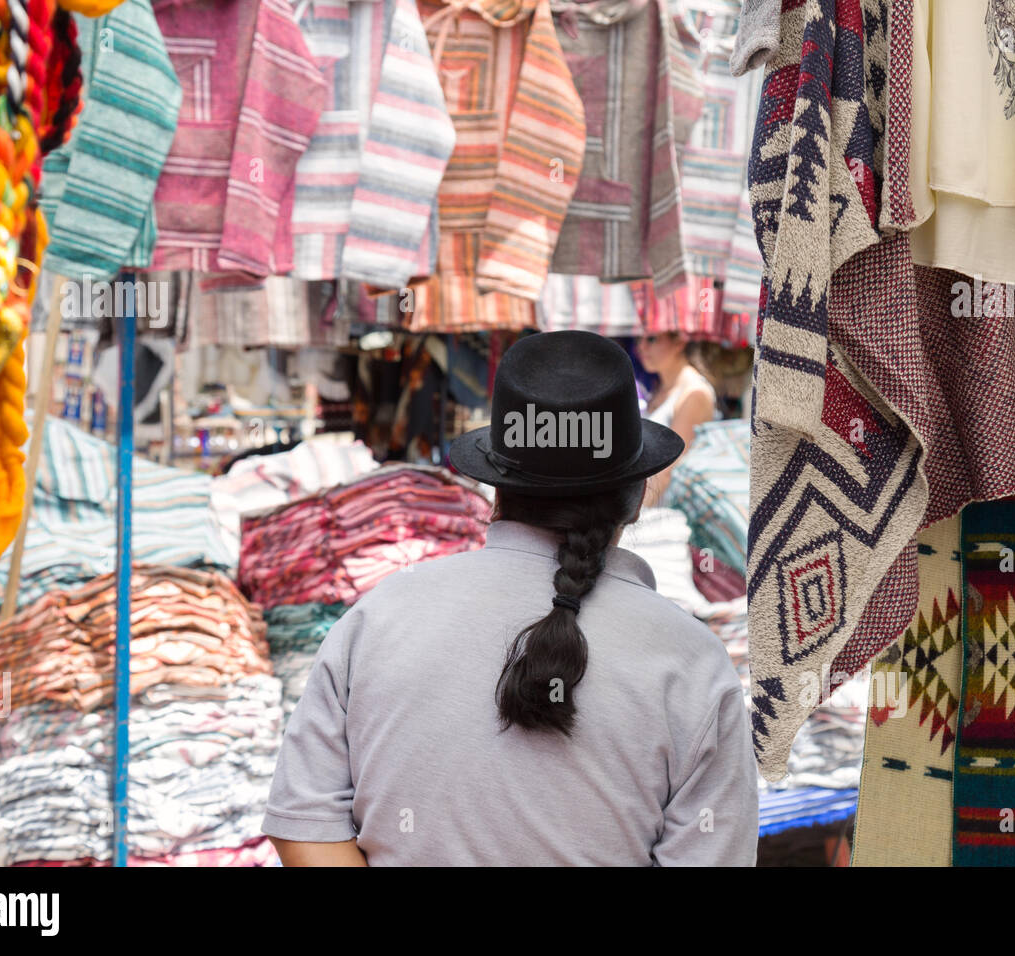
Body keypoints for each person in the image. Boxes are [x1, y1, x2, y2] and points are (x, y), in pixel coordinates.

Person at [261, 330, 758, 866]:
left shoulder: (379, 617)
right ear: (636, 499)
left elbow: (305, 824)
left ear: (496, 486)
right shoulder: (693, 662)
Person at [635, 332, 717, 507]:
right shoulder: (660, 388)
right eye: (638, 340)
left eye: (651, 338)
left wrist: (636, 515)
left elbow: (669, 468)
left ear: (679, 341)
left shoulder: (694, 393)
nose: (641, 347)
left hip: (669, 513)